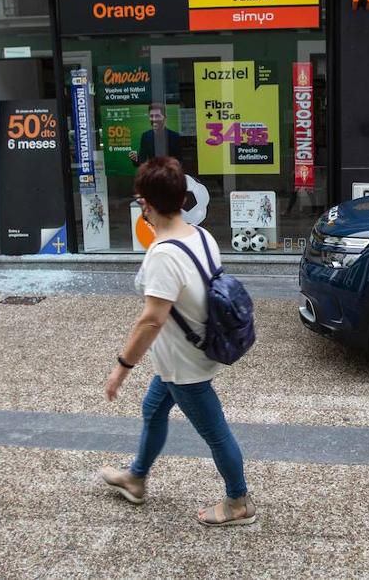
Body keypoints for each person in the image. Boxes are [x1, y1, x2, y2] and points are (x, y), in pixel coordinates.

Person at [98, 156, 255, 526]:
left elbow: (152, 319)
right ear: (183, 197)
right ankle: (136, 478)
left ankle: (239, 502)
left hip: (186, 366)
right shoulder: (201, 235)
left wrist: (120, 369)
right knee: (153, 409)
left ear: (145, 204)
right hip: (185, 354)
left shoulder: (164, 255)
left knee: (216, 433)